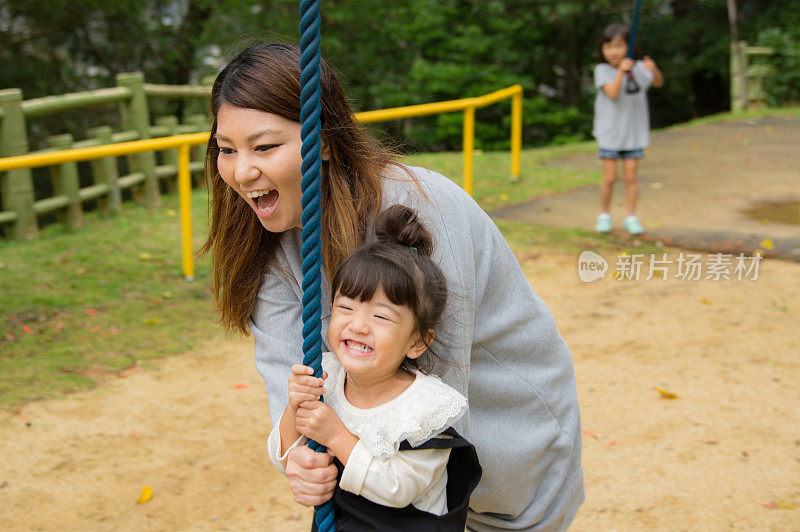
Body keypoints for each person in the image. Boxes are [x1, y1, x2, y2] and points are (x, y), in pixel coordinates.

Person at [201, 42, 583, 531]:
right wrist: (298, 456)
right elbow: (288, 380)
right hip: (382, 476)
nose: (241, 171)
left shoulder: (417, 210)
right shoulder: (266, 244)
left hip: (503, 441)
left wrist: (347, 458)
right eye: (226, 150)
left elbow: (438, 402)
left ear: (327, 139)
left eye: (265, 147)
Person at [266, 205, 482, 530]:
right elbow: (284, 456)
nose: (358, 325)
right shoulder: (326, 375)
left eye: (380, 316)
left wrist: (336, 435)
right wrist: (295, 408)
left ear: (417, 342)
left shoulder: (425, 408)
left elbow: (398, 488)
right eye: (346, 307)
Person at [592, 22, 664, 236]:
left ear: (629, 48)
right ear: (602, 50)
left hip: (633, 134)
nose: (614, 52)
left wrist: (653, 69)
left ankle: (631, 216)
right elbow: (613, 93)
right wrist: (622, 72)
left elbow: (658, 83)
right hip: (610, 135)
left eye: (619, 46)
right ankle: (604, 214)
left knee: (631, 177)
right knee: (610, 177)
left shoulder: (639, 68)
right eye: (608, 47)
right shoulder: (602, 70)